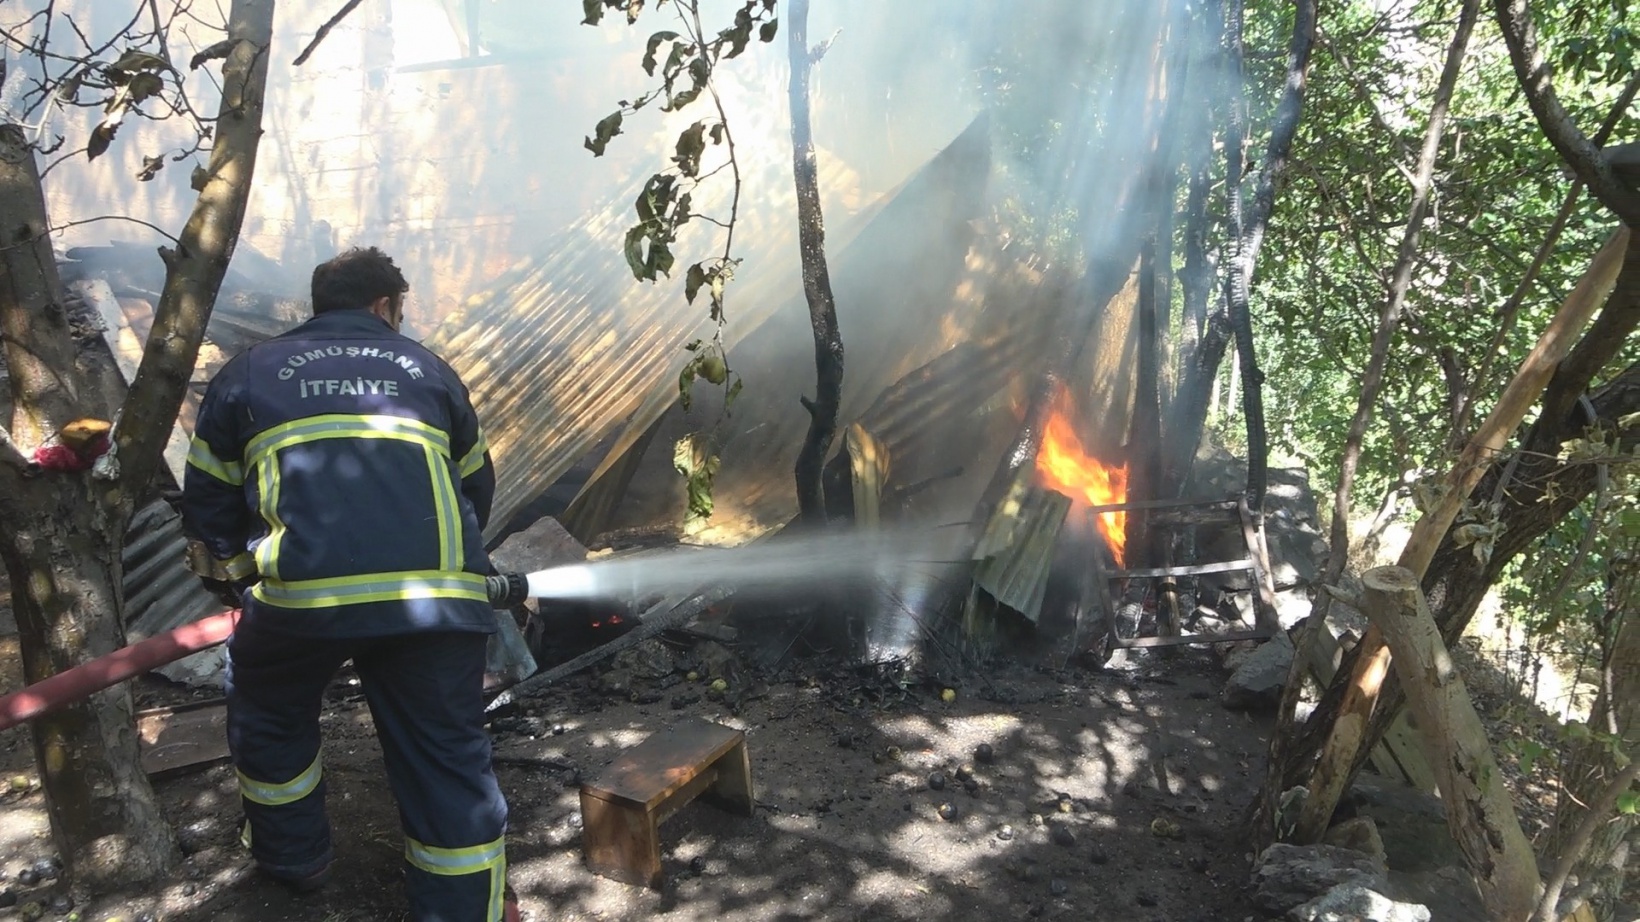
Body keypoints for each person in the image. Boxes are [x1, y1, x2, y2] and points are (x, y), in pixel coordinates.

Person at [182, 247, 517, 922]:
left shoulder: (248, 373)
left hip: (302, 603)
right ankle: (460, 910)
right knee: (447, 759)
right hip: (434, 607)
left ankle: (294, 859)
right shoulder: (429, 369)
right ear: (385, 306)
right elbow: (475, 487)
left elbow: (209, 504)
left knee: (269, 715)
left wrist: (239, 582)